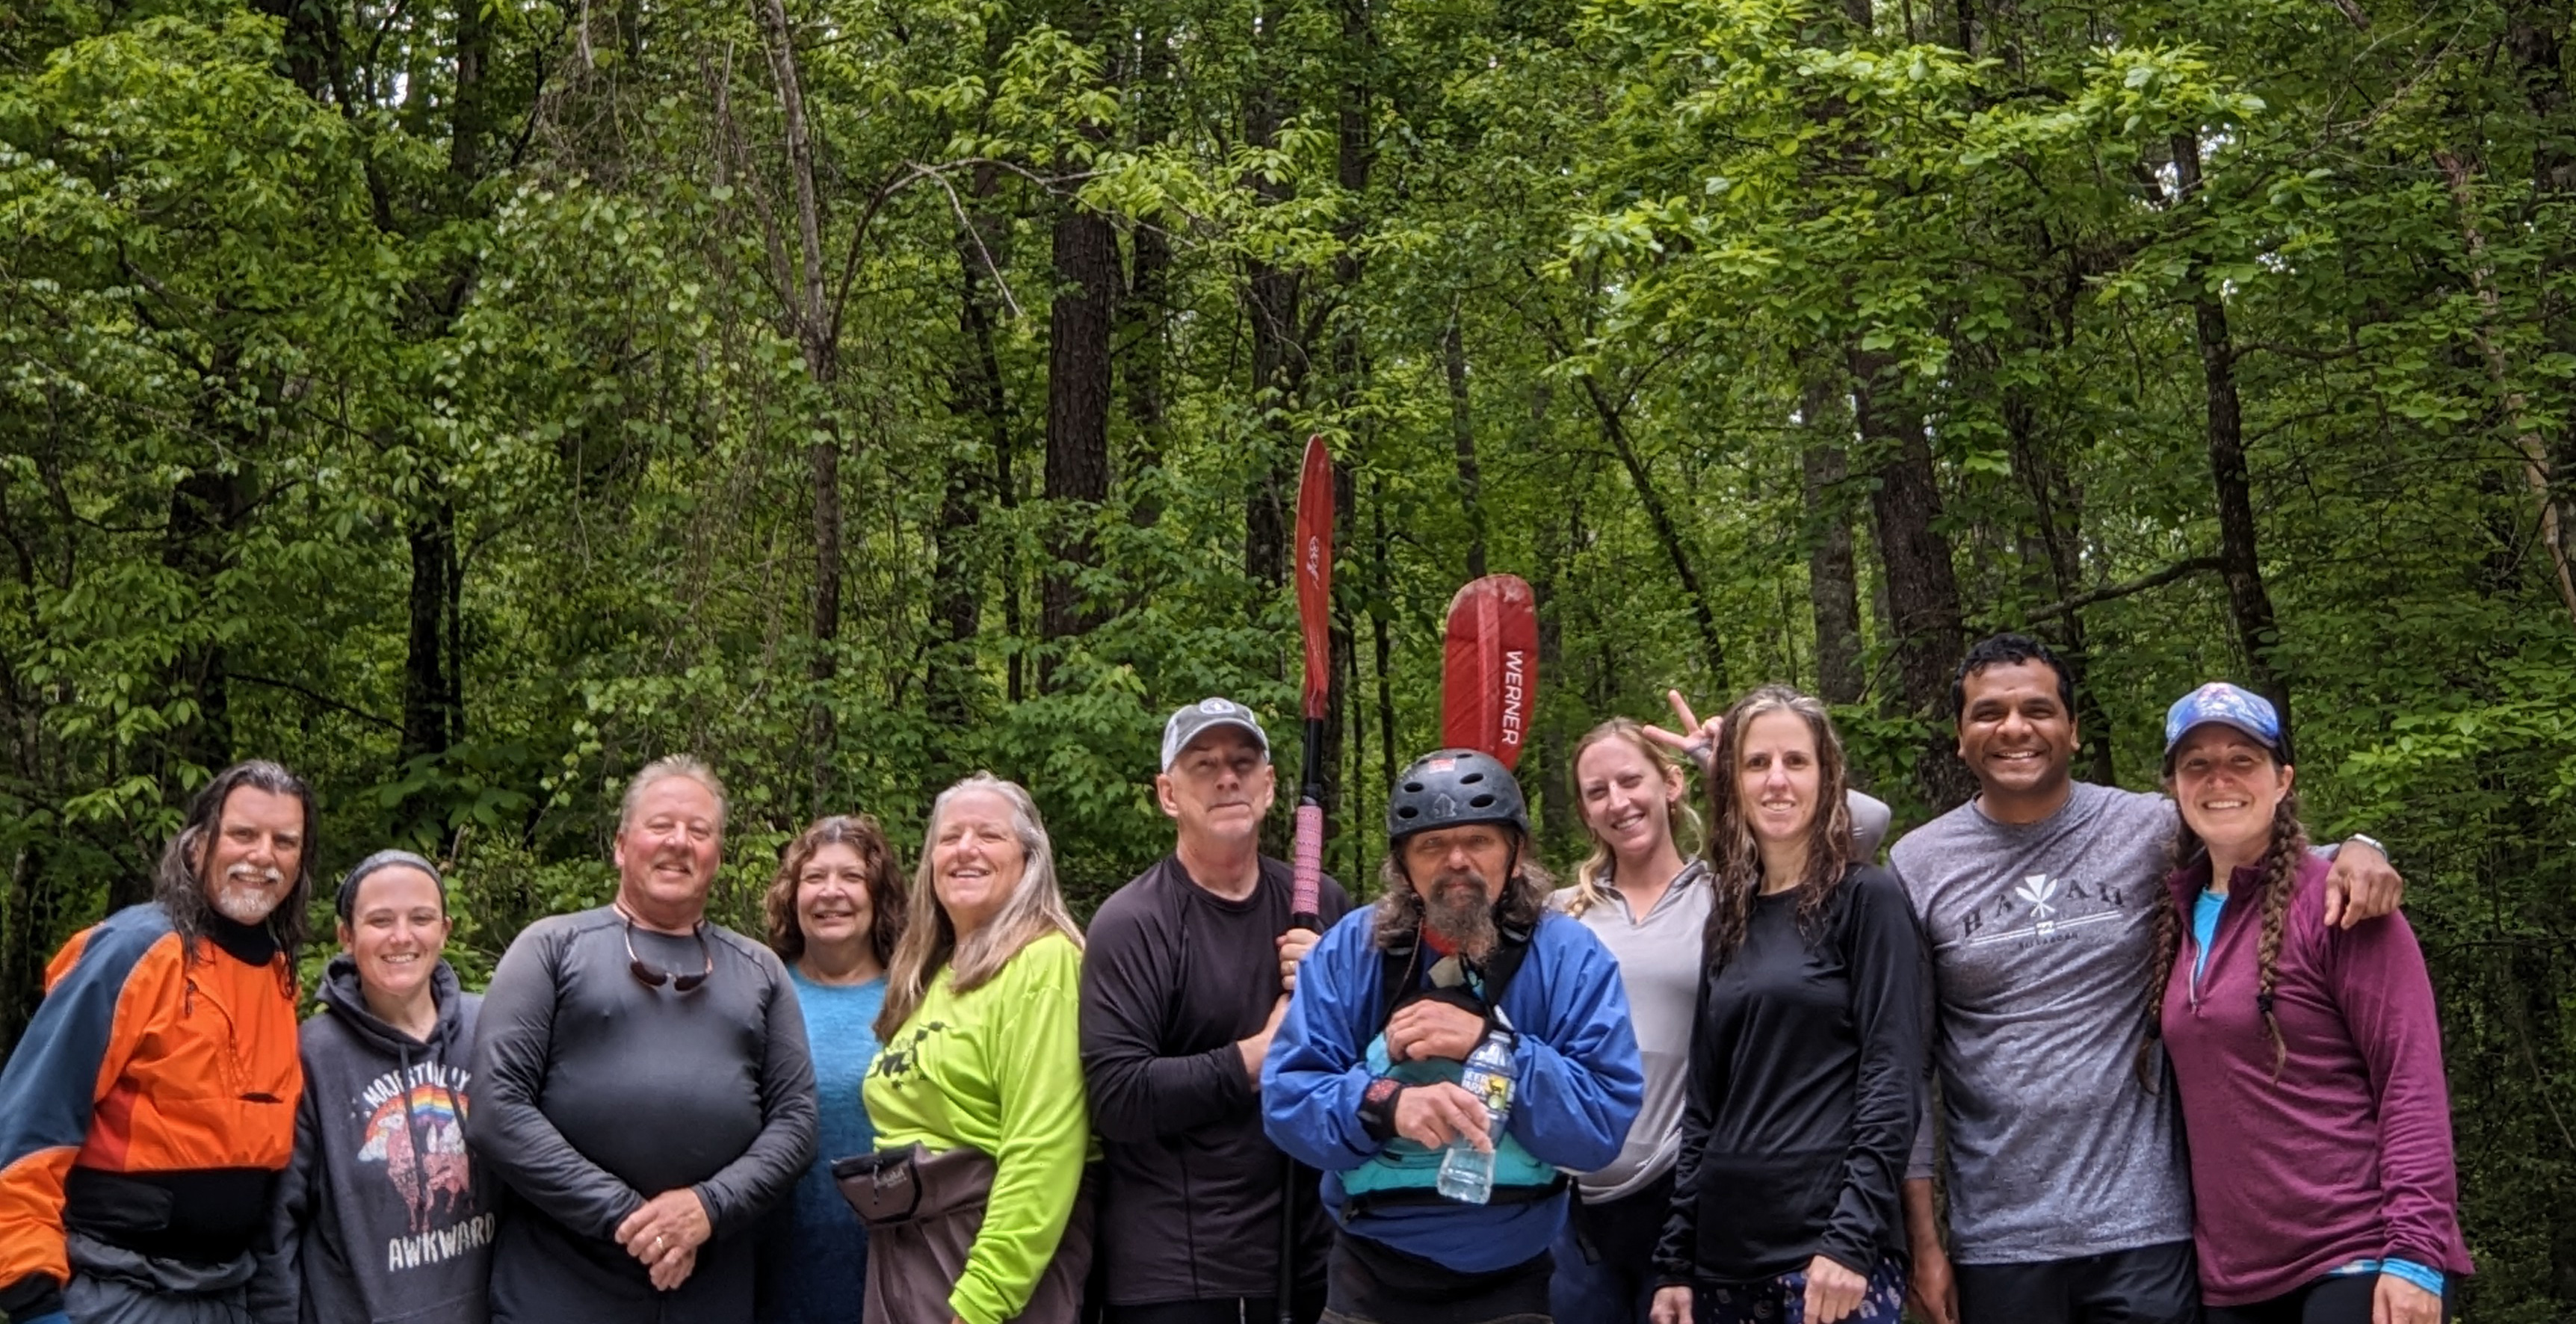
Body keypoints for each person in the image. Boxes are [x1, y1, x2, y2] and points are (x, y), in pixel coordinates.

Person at [1891, 634, 2406, 1324]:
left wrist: (2360, 847)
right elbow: (1907, 1066)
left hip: (2148, 1233)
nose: (2013, 728)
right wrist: (1924, 1241)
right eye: (1988, 713)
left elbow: (2262, 844)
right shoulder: (1917, 863)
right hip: (1997, 1241)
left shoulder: (2146, 828)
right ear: (1959, 738)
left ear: (2073, 730)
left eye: (2037, 710)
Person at [1263, 749, 1645, 1324]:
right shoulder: (1350, 951)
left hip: (1516, 1274)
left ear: (1515, 854)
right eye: (1432, 845)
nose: (1457, 861)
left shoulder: (1570, 956)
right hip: (1368, 1271)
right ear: (1403, 864)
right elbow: (1288, 1100)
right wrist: (1388, 1105)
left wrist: (1489, 1044)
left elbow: (1599, 1128)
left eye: (1479, 841)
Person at [1554, 711, 1895, 1324]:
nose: (1618, 802)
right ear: (1583, 810)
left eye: (1630, 781)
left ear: (1670, 785)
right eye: (1597, 791)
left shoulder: (1726, 897)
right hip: (1581, 1196)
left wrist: (1732, 767)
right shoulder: (1562, 914)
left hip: (1685, 1182)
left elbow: (1864, 824)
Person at [2148, 683, 2469, 1324]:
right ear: (2174, 788)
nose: (2219, 780)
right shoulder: (2171, 915)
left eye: (2242, 760)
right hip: (2233, 1280)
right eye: (2197, 764)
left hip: (2357, 1256)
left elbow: (2409, 1081)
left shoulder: (2342, 904)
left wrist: (2414, 1254)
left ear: (2282, 780)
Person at [468, 755, 817, 1324]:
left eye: (699, 831)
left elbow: (797, 1124)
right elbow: (496, 1110)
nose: (679, 842)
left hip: (712, 1290)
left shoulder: (760, 971)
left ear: (717, 855)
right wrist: (632, 1220)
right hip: (561, 1288)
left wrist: (709, 1207)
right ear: (621, 845)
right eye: (661, 826)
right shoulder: (550, 949)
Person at [0, 760, 316, 1324]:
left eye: (284, 841)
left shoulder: (277, 977)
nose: (263, 855)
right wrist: (32, 1294)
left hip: (229, 1294)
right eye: (243, 833)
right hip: (116, 1289)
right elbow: (30, 1123)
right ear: (197, 845)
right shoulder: (133, 952)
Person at [1647, 687, 1924, 1324]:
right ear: (1733, 783)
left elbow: (1892, 1078)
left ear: (1827, 779)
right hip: (1724, 1257)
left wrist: (1850, 1240)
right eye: (1756, 763)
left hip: (1828, 1256)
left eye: (1795, 762)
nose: (1776, 781)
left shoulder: (1866, 900)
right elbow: (1704, 1105)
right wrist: (1675, 1261)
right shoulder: (1728, 917)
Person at [1081, 698, 1353, 1324]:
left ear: (1270, 784)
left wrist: (1336, 993)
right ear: (1167, 794)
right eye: (1202, 764)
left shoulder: (1320, 904)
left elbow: (1368, 1063)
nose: (1227, 778)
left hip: (1312, 1260)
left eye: (1242, 762)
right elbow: (1117, 1098)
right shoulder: (1133, 923)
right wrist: (1258, 1057)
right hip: (1179, 1275)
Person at [859, 774, 1095, 1324]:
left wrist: (981, 1303)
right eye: (950, 837)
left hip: (982, 1269)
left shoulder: (1044, 963)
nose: (965, 849)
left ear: (1029, 859)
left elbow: (1044, 1150)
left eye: (989, 835)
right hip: (906, 1259)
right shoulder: (929, 976)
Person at [251, 850, 495, 1324]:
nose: (402, 936)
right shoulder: (310, 1055)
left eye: (420, 918)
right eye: (380, 921)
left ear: (444, 930)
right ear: (346, 936)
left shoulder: (491, 1028)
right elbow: (275, 1229)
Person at [753, 815, 906, 1324]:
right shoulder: (759, 991)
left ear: (879, 894)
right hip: (772, 1264)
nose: (831, 892)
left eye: (852, 877)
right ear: (792, 895)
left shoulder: (916, 998)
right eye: (814, 877)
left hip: (891, 1263)